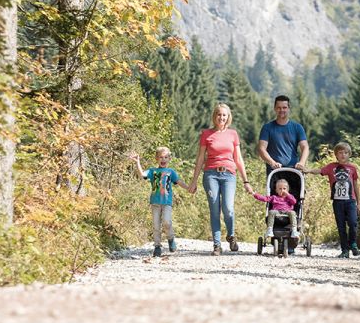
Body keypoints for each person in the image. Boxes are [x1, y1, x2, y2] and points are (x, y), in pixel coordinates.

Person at [187, 103, 253, 255]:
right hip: (211, 174)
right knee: (215, 209)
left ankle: (231, 235)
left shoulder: (233, 134)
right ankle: (217, 245)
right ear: (214, 116)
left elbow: (238, 159)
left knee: (228, 209)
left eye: (224, 115)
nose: (221, 117)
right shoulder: (206, 134)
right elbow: (199, 159)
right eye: (219, 114)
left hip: (229, 175)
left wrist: (246, 181)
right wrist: (194, 181)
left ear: (228, 117)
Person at [129, 147, 183, 257]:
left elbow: (179, 181)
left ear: (169, 159)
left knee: (167, 222)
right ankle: (157, 246)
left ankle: (170, 238)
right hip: (155, 202)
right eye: (161, 157)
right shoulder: (153, 171)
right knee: (156, 225)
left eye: (166, 157)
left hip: (167, 202)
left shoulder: (170, 172)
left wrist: (189, 188)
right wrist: (137, 162)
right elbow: (142, 175)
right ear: (156, 158)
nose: (163, 159)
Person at [314, 142, 360, 258]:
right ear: (336, 155)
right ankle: (345, 250)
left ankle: (353, 244)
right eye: (340, 153)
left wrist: (359, 203)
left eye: (345, 153)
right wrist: (306, 170)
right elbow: (320, 171)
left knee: (353, 223)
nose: (343, 155)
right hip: (337, 202)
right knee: (341, 226)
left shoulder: (353, 168)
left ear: (349, 154)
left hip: (351, 201)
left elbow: (355, 185)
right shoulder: (331, 167)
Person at [257, 95, 310, 174]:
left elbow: (305, 146)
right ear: (275, 108)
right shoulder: (267, 128)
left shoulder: (297, 127)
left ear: (289, 108)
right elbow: (261, 148)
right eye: (279, 107)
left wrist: (302, 162)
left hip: (294, 170)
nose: (281, 110)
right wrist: (272, 163)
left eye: (284, 107)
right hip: (274, 171)